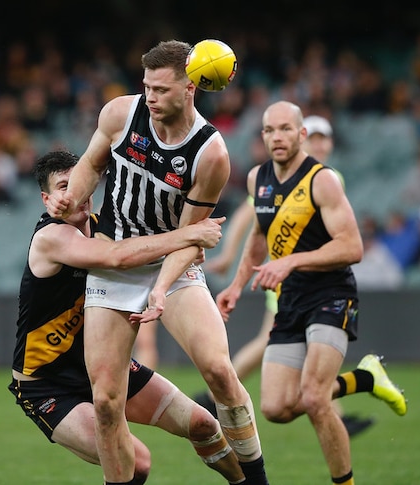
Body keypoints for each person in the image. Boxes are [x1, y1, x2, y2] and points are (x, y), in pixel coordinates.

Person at [46, 40, 270, 485]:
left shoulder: (210, 154)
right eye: (146, 86)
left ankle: (255, 481)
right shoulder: (119, 114)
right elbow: (91, 162)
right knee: (107, 401)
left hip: (174, 263)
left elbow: (190, 238)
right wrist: (73, 199)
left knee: (220, 373)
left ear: (190, 88)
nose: (150, 97)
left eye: (161, 90)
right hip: (113, 263)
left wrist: (162, 288)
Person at [11, 150, 247, 483]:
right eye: (63, 186)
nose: (74, 192)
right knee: (137, 461)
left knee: (204, 424)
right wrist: (190, 234)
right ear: (46, 198)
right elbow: (118, 257)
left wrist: (189, 249)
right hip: (48, 385)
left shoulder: (104, 228)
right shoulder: (51, 237)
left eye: (77, 182)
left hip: (104, 365)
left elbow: (151, 248)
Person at [216, 101, 407, 485]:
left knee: (316, 398)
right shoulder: (259, 178)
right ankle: (366, 379)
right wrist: (236, 285)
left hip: (331, 294)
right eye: (270, 130)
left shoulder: (323, 180)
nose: (277, 137)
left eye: (286, 129)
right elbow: (258, 235)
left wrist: (290, 261)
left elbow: (352, 247)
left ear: (302, 135)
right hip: (291, 300)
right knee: (276, 407)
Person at [199, 115, 375, 438]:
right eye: (315, 139)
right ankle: (217, 395)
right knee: (279, 349)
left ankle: (331, 410)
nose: (320, 145)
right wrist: (230, 259)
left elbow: (346, 242)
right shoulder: (279, 178)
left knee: (300, 357)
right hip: (282, 279)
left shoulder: (327, 178)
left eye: (325, 139)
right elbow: (250, 216)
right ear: (302, 140)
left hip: (311, 279)